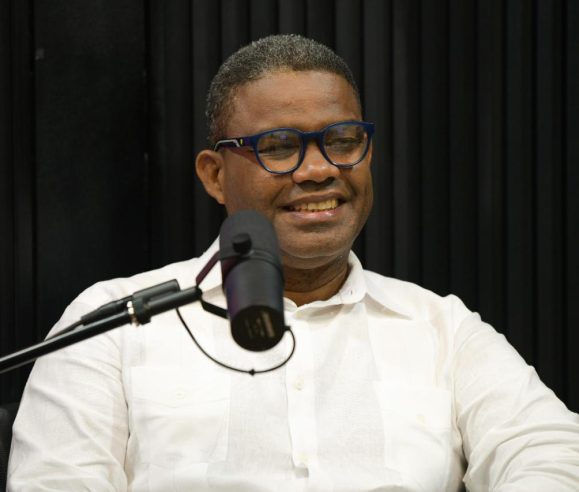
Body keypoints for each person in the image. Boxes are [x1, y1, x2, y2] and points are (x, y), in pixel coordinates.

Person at [7, 34, 579, 491]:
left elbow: (552, 455)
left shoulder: (442, 329)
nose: (319, 169)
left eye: (343, 140)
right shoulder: (113, 322)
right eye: (279, 147)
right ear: (214, 175)